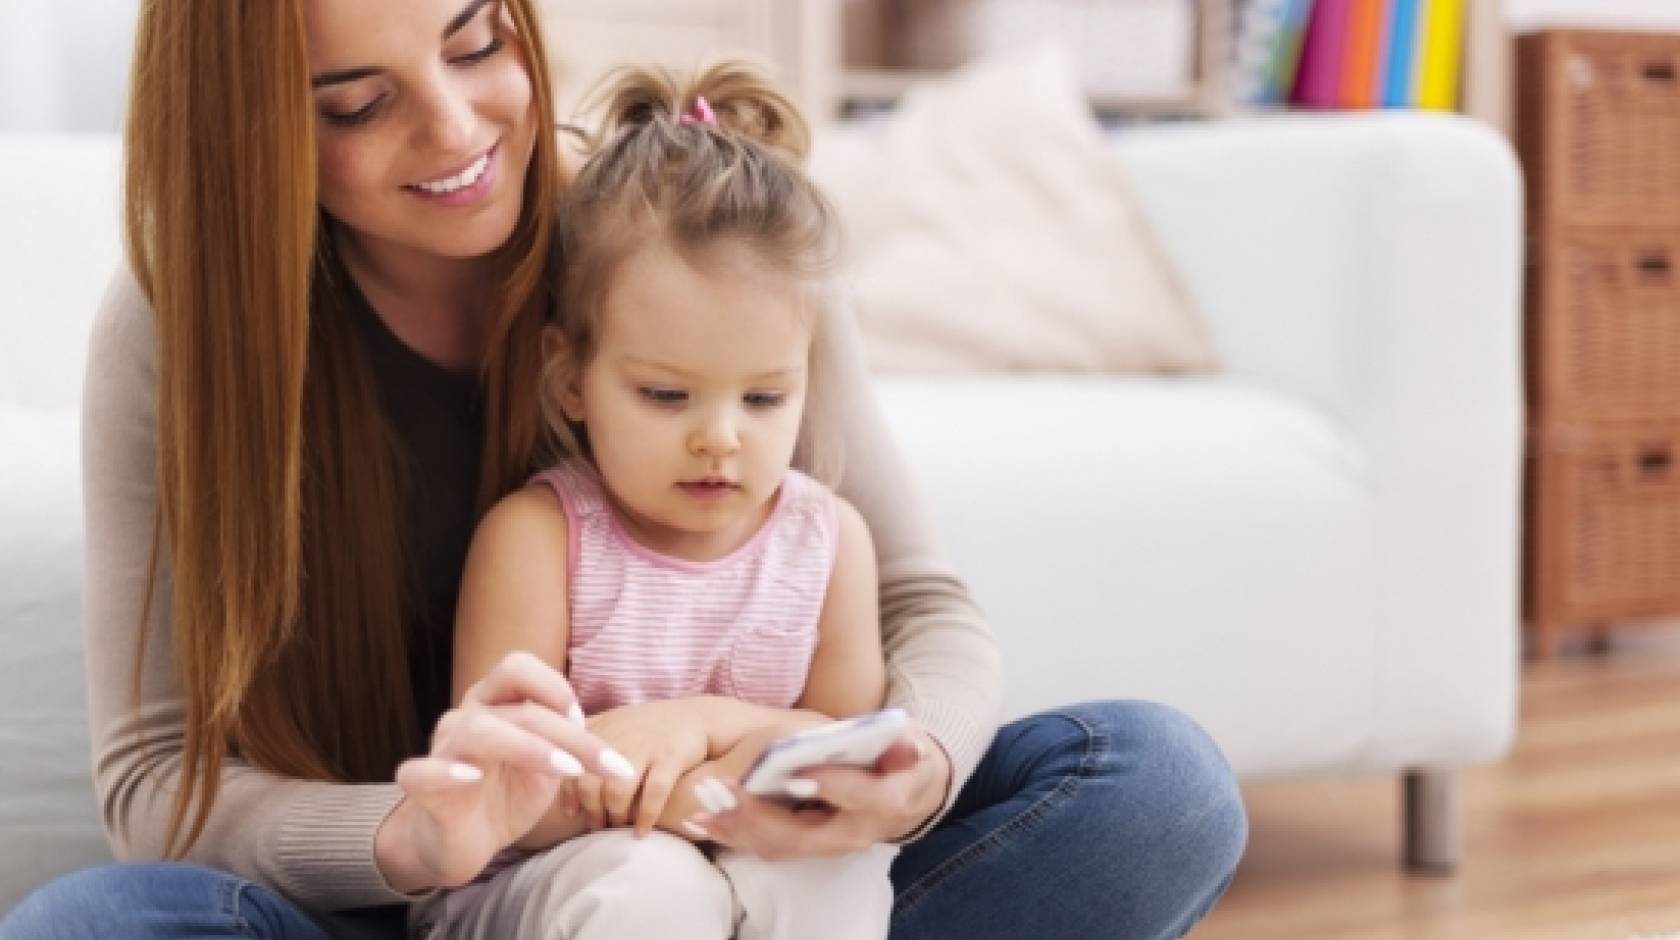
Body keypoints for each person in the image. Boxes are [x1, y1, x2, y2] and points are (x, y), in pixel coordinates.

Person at [0, 0, 1247, 937]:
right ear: (253, 129)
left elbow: (924, 608)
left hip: (762, 880)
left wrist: (900, 769)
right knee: (89, 927)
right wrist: (411, 834)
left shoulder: (694, 231)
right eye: (356, 103)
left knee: (1159, 787)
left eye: (477, 41)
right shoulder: (181, 333)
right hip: (440, 900)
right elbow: (159, 782)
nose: (454, 127)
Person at [409, 60, 899, 940]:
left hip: (743, 861)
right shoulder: (539, 539)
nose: (722, 438)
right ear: (569, 379)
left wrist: (693, 725)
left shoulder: (830, 544)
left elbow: (845, 770)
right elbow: (510, 796)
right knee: (652, 885)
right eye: (667, 396)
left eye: (763, 399)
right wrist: (720, 787)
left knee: (832, 876)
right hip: (555, 882)